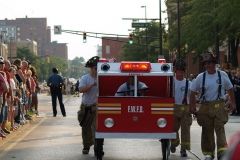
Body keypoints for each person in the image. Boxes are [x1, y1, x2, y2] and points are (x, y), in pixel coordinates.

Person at [189, 52, 236, 160]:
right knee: (207, 130)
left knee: (220, 129)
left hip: (219, 105)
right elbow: (192, 91)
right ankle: (208, 153)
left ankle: (222, 153)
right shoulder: (200, 77)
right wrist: (192, 106)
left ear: (214, 63)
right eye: (206, 63)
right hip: (205, 107)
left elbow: (230, 89)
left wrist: (233, 103)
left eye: (209, 63)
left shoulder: (222, 75)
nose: (207, 65)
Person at [77, 56, 99, 155]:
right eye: (95, 68)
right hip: (86, 106)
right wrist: (91, 85)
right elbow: (81, 90)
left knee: (96, 128)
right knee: (85, 128)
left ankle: (97, 147)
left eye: (98, 68)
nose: (97, 70)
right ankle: (86, 146)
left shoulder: (102, 78)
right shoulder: (85, 78)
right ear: (91, 68)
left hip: (97, 107)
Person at [170, 59, 192, 157]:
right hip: (173, 108)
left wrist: (193, 108)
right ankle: (174, 142)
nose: (180, 73)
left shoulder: (189, 83)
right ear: (175, 71)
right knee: (172, 128)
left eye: (182, 71)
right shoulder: (170, 82)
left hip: (185, 108)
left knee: (185, 130)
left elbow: (192, 97)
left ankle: (184, 149)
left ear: (184, 71)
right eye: (178, 71)